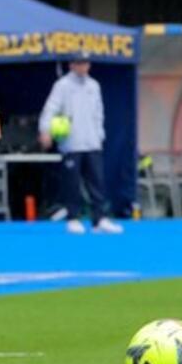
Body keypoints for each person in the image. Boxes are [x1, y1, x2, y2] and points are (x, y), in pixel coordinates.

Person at [38, 52, 123, 235]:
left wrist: (100, 135)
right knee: (72, 183)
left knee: (97, 183)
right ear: (71, 65)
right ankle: (73, 218)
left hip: (92, 143)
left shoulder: (94, 85)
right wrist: (45, 130)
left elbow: (99, 113)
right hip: (72, 144)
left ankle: (99, 219)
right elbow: (51, 108)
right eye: (79, 63)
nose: (83, 67)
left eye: (86, 63)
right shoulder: (62, 86)